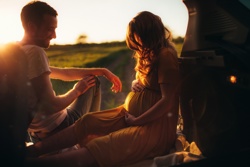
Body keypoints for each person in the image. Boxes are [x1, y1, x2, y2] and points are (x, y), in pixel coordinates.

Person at [26, 11, 180, 167]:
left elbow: (167, 100)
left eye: (137, 39)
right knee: (88, 121)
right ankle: (32, 151)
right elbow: (151, 82)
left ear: (148, 34)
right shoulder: (150, 55)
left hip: (152, 127)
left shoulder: (166, 55)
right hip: (130, 116)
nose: (137, 46)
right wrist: (135, 82)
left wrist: (137, 120)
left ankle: (32, 163)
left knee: (104, 145)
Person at [19, 1, 122, 143]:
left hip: (36, 133)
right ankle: (90, 139)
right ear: (31, 27)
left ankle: (86, 136)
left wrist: (102, 70)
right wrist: (77, 91)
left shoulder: (17, 53)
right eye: (50, 29)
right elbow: (51, 106)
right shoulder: (35, 52)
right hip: (59, 127)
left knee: (93, 77)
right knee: (93, 82)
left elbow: (63, 73)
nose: (54, 35)